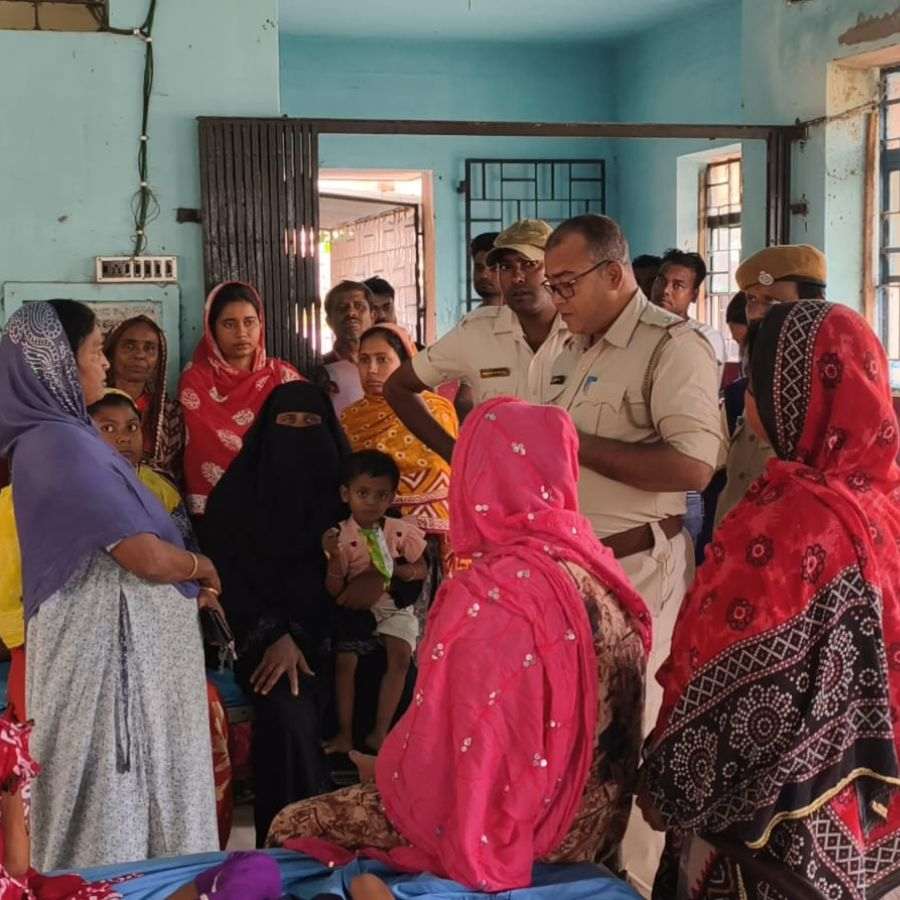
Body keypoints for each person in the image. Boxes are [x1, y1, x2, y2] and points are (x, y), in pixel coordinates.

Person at [266, 398, 651, 893]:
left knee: (293, 824)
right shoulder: (598, 568)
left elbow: (469, 757)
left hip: (530, 830)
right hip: (597, 825)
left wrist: (388, 771)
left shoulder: (494, 593)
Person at [640, 301, 900, 899]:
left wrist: (669, 786)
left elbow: (740, 685)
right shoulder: (881, 501)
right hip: (864, 827)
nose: (744, 402)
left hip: (764, 837)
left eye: (753, 387)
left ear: (795, 399)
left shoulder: (791, 523)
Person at [0, 300, 219, 869]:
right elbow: (142, 557)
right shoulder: (62, 444)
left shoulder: (52, 439)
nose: (103, 362)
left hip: (111, 656)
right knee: (109, 797)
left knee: (112, 797)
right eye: (95, 349)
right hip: (109, 665)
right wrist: (200, 568)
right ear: (58, 361)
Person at [543, 215, 722, 892]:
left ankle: (636, 884)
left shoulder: (671, 347)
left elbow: (694, 466)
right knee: (572, 728)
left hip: (638, 565)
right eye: (552, 285)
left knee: (630, 727)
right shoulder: (562, 343)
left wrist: (573, 441)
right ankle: (577, 873)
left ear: (614, 274)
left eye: (566, 283)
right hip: (568, 570)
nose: (556, 298)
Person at [384, 219, 569, 463]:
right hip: (502, 483)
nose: (517, 277)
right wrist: (459, 457)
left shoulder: (584, 331)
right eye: (506, 267)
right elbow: (397, 387)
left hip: (575, 483)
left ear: (555, 270)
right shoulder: (476, 332)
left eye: (529, 264)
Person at [714, 244, 827, 528]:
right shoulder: (750, 385)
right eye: (752, 299)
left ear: (811, 306)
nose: (756, 313)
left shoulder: (829, 389)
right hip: (733, 536)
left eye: (773, 302)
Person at [323, 451, 427, 756]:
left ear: (392, 497)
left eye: (381, 495)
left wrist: (395, 573)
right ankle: (344, 733)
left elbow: (421, 568)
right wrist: (333, 558)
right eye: (363, 493)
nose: (371, 502)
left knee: (400, 657)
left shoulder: (399, 530)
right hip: (356, 609)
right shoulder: (339, 536)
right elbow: (335, 589)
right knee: (345, 662)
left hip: (393, 604)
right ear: (346, 494)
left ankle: (380, 733)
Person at [341, 324, 458, 573]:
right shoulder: (350, 418)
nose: (372, 370)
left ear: (405, 364)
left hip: (429, 542)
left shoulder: (435, 410)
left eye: (382, 359)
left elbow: (445, 473)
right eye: (364, 360)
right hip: (364, 540)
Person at [180, 281, 301, 519]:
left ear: (261, 324)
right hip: (215, 511)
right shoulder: (196, 380)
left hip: (277, 502)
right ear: (211, 329)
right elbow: (203, 447)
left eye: (249, 322)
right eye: (229, 324)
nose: (241, 332)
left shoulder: (282, 377)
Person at [104, 314, 184, 480]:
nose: (140, 355)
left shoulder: (170, 412)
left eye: (149, 348)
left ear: (159, 360)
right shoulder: (93, 405)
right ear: (111, 354)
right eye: (129, 346)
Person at [651, 248, 726, 382]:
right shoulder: (637, 330)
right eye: (661, 281)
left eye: (677, 285)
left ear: (694, 295)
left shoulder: (706, 337)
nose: (665, 290)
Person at [317, 281, 375, 416]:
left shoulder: (389, 365)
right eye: (342, 308)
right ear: (329, 321)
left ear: (373, 316)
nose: (351, 313)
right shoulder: (320, 371)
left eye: (359, 306)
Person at [470, 231, 502, 307]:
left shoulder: (523, 313)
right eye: (479, 268)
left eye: (493, 269)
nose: (484, 275)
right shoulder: (472, 315)